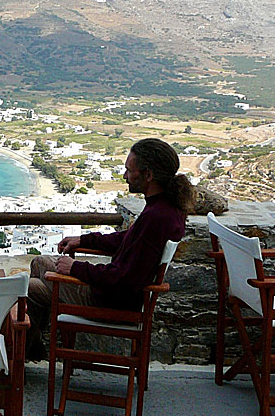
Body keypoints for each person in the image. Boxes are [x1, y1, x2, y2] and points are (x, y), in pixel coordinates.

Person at [25, 138, 193, 360]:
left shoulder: (157, 217)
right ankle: (29, 351)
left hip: (110, 302)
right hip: (117, 296)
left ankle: (18, 356)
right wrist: (85, 240)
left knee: (31, 287)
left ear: (148, 175)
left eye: (129, 170)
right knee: (39, 264)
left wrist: (75, 268)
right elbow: (128, 240)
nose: (125, 176)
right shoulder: (165, 209)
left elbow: (125, 279)